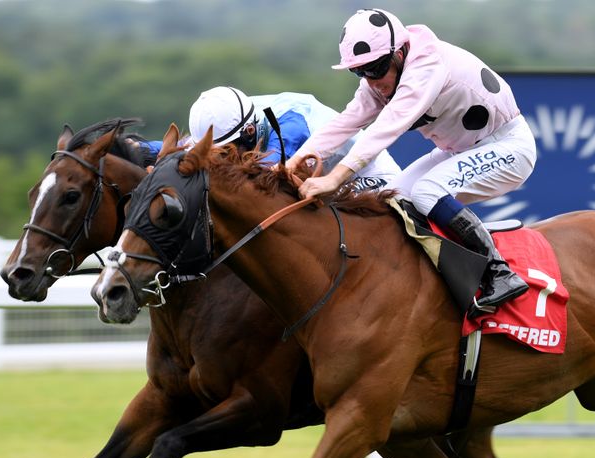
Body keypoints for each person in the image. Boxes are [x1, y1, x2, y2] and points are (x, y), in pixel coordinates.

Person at [288, 8, 536, 314]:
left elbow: (384, 128)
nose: (372, 81)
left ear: (401, 52)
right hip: (462, 150)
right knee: (392, 197)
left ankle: (500, 272)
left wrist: (334, 177)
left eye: (377, 68)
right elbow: (346, 122)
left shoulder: (426, 65)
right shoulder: (380, 77)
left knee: (426, 191)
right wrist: (296, 159)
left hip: (509, 147)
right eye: (360, 72)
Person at [134, 86, 400, 190]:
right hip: (322, 179)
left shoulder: (289, 126)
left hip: (367, 175)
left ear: (249, 132)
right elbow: (187, 148)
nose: (228, 157)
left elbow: (263, 174)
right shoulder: (235, 123)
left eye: (228, 151)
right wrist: (136, 149)